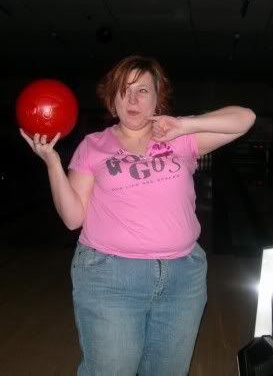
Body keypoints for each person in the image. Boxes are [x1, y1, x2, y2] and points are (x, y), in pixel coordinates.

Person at [20, 55, 256, 376]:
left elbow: (245, 118)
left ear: (158, 99)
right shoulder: (93, 146)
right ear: (112, 99)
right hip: (110, 277)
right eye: (124, 90)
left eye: (143, 91)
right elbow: (73, 217)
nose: (133, 99)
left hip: (182, 278)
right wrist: (51, 163)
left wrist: (185, 124)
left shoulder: (180, 138)